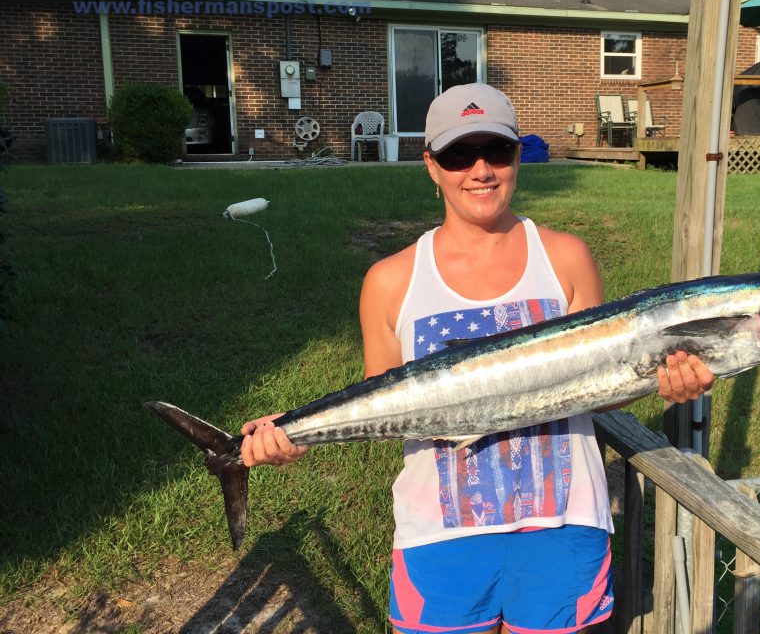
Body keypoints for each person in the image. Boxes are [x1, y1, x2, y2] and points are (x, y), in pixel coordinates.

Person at [241, 83, 715, 634]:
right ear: (431, 166)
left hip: (563, 526)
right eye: (459, 154)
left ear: (518, 156)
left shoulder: (565, 258)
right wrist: (293, 434)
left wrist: (669, 380)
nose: (481, 170)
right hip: (439, 536)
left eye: (497, 150)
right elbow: (379, 408)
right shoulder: (390, 281)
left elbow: (605, 377)